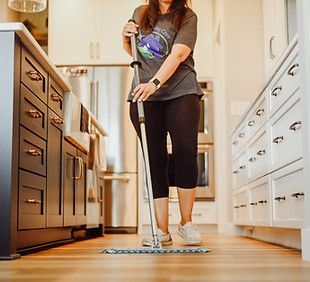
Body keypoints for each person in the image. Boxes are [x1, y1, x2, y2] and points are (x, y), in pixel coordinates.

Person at [122, 0, 203, 246]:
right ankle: (161, 230)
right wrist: (125, 38)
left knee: (185, 153)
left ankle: (186, 223)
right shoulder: (140, 12)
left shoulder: (188, 16)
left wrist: (154, 83)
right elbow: (138, 52)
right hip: (145, 94)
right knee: (154, 159)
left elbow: (179, 53)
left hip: (181, 90)